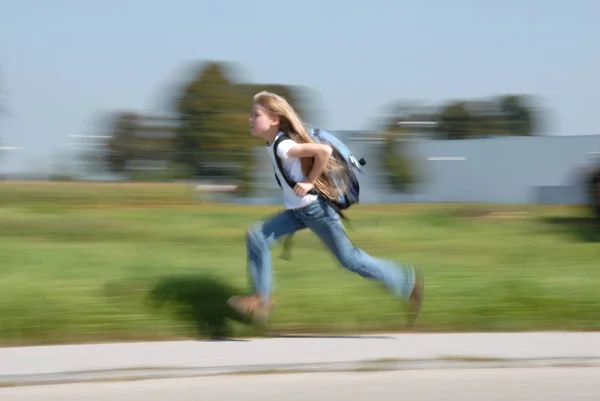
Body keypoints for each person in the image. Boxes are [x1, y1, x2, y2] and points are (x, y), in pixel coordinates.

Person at [227, 90, 424, 326]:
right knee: (257, 236)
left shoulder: (283, 146)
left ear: (274, 119)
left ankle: (407, 283)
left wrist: (309, 181)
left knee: (351, 260)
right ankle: (262, 299)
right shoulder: (273, 145)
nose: (250, 119)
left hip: (315, 211)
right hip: (299, 212)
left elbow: (325, 151)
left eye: (255, 114)